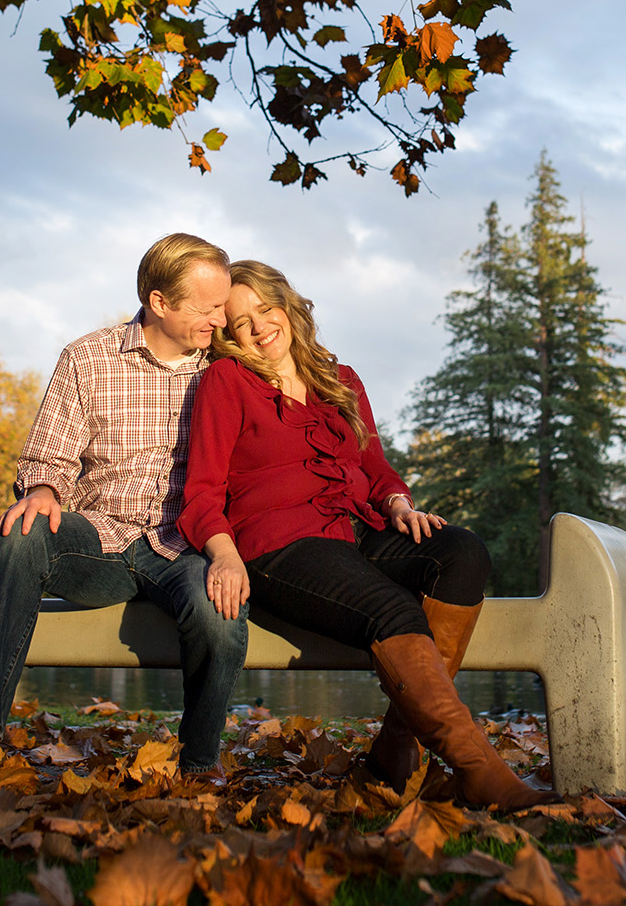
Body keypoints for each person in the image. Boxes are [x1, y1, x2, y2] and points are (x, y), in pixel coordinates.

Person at [178, 260, 552, 811]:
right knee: (393, 610)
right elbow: (202, 491)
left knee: (462, 553)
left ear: (287, 305)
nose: (259, 327)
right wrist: (224, 554)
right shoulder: (227, 381)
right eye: (240, 323)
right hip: (279, 544)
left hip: (356, 529)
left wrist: (399, 504)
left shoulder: (341, 379)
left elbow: (374, 468)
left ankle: (394, 751)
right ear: (230, 338)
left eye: (265, 309)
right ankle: (481, 773)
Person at [0, 232, 249, 788]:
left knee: (216, 608)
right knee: (21, 535)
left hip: (186, 544)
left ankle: (200, 767)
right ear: (159, 302)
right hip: (100, 539)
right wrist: (43, 491)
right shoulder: (88, 357)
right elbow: (48, 456)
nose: (221, 320)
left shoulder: (227, 365)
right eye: (208, 308)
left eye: (223, 306)